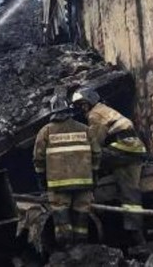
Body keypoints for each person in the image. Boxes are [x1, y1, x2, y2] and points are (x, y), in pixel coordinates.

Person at [72, 87, 147, 245]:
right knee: (129, 190)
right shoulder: (104, 109)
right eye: (80, 106)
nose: (82, 109)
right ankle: (135, 233)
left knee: (89, 158)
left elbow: (95, 143)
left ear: (91, 100)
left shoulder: (95, 115)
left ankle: (86, 192)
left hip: (123, 150)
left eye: (83, 104)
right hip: (133, 150)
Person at [34, 94, 101, 248]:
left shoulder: (45, 132)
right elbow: (97, 154)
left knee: (61, 216)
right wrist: (94, 174)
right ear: (69, 110)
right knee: (81, 215)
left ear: (52, 112)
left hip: (58, 185)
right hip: (84, 183)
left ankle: (66, 248)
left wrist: (42, 178)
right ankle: (82, 247)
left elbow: (38, 159)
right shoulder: (85, 130)